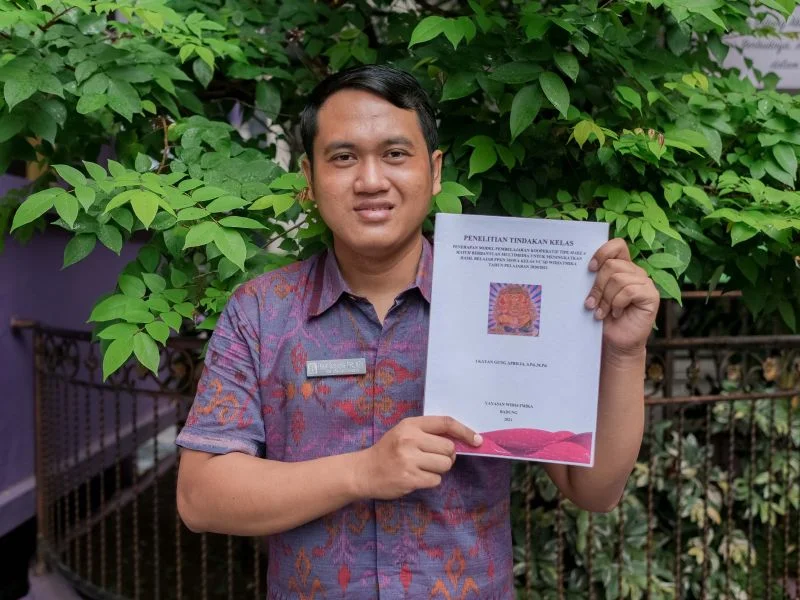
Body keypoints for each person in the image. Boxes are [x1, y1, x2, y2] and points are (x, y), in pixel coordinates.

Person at [175, 64, 659, 598]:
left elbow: (594, 490)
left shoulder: (506, 297)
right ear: (309, 179)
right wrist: (363, 472)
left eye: (394, 154)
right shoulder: (261, 311)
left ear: (434, 170)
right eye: (343, 157)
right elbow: (201, 496)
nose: (371, 180)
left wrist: (624, 353)